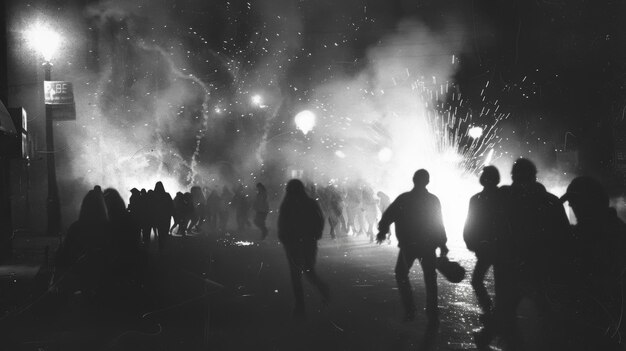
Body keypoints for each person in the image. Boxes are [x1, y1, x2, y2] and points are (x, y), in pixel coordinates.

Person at [475, 158, 571, 350]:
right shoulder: (550, 201)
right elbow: (563, 237)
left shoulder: (503, 199)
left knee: (507, 311)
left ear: (513, 176)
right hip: (541, 267)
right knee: (546, 313)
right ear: (534, 176)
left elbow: (489, 224)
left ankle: (504, 341)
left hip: (510, 266)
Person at [559, 177, 626, 350]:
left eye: (574, 202)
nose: (571, 206)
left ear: (586, 203)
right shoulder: (615, 227)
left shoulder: (587, 234)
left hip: (594, 318)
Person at [376, 169, 449, 324]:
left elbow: (388, 216)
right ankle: (432, 312)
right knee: (430, 279)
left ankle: (410, 309)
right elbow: (438, 223)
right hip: (428, 246)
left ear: (413, 180)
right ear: (427, 182)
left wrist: (382, 231)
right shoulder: (432, 200)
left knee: (401, 275)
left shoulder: (404, 199)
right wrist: (442, 243)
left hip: (408, 246)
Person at [278, 179, 330, 318]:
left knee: (295, 275)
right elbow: (320, 219)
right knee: (309, 271)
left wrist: (283, 238)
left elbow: (282, 223)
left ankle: (300, 306)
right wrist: (316, 234)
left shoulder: (287, 204)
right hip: (308, 242)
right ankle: (323, 289)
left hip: (293, 243)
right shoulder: (311, 203)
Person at [463, 166, 504, 320]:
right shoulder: (504, 196)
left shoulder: (476, 199)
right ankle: (497, 313)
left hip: (485, 246)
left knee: (477, 280)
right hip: (501, 246)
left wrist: (470, 240)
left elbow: (470, 222)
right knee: (500, 284)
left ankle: (489, 310)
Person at [152, 182, 174, 251]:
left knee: (160, 233)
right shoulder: (167, 195)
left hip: (158, 217)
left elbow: (151, 207)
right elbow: (171, 206)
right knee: (164, 233)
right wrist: (173, 215)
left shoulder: (153, 195)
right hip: (166, 217)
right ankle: (163, 247)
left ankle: (161, 247)